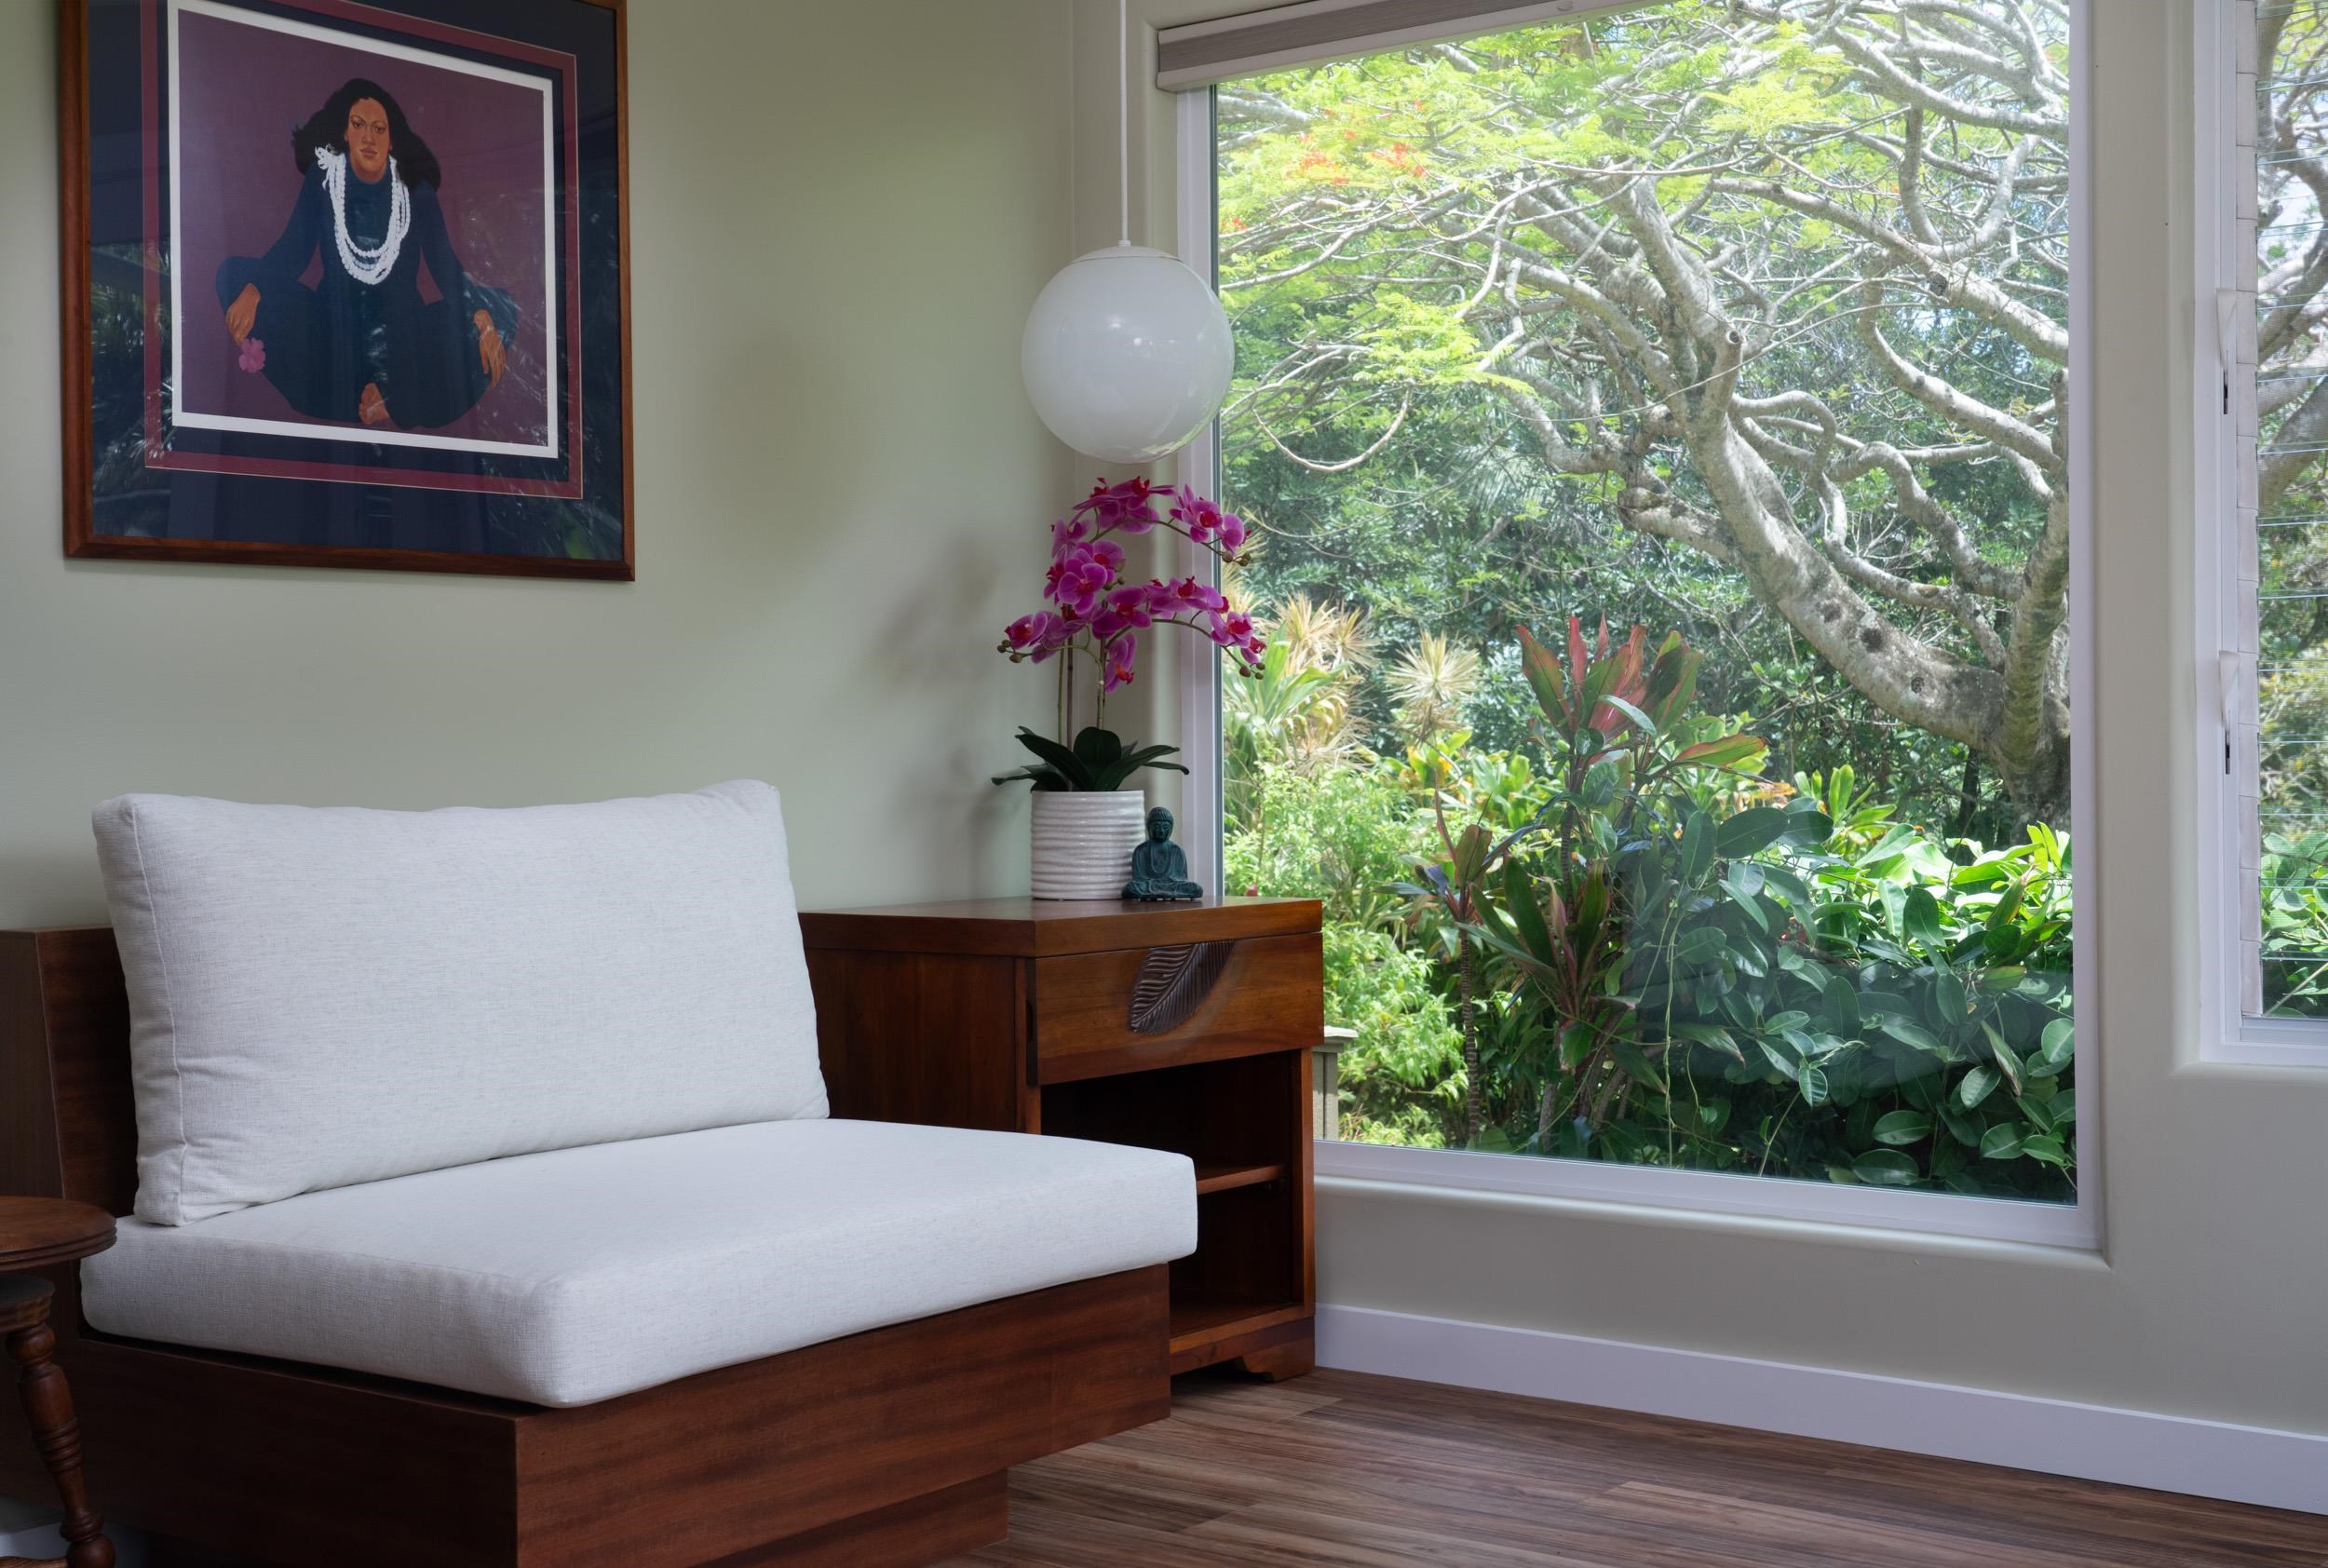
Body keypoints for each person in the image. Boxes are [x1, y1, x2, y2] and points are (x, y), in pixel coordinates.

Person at [215, 77, 519, 431]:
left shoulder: (417, 192)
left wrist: (481, 315)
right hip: (333, 328)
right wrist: (255, 289)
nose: (369, 138)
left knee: (494, 319)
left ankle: (393, 398)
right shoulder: (323, 181)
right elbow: (293, 252)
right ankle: (361, 398)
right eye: (358, 125)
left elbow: (443, 266)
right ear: (345, 132)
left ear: (392, 139)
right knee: (232, 279)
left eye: (379, 129)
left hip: (405, 336)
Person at [1124, 807, 1203, 901]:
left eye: (1165, 827)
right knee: (1132, 888)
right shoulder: (1141, 850)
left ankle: (1158, 893)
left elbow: (1181, 879)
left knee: (1196, 888)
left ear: (1171, 829)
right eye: (1157, 827)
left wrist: (1169, 883)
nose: (1161, 831)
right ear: (1149, 827)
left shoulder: (1177, 850)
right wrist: (1152, 883)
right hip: (1149, 885)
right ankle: (1163, 893)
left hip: (1172, 886)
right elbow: (1139, 879)